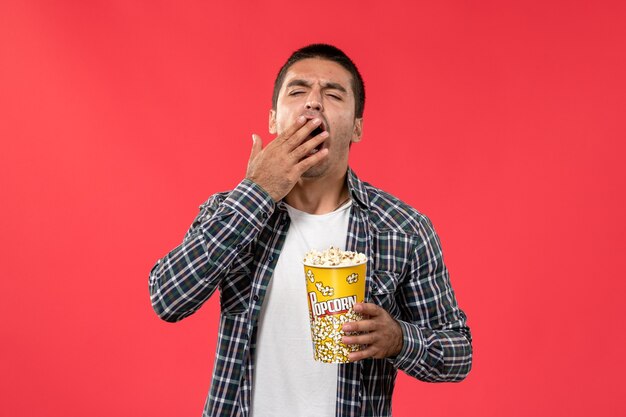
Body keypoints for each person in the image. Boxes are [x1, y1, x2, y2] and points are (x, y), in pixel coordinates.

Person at [149, 44, 472, 417]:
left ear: (357, 127)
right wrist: (258, 192)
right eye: (298, 91)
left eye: (333, 94)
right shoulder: (229, 211)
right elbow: (168, 298)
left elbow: (458, 354)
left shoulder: (402, 228)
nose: (314, 102)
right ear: (273, 120)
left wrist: (399, 339)